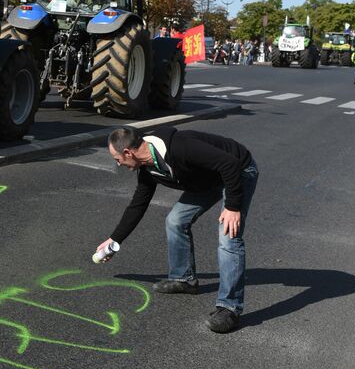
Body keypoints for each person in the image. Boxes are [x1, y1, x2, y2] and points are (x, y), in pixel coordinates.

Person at [97, 125, 259, 333]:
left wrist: (233, 206)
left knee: (229, 236)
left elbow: (230, 163)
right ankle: (183, 279)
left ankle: (230, 309)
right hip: (208, 179)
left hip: (238, 172)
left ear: (128, 152)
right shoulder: (147, 165)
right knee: (175, 221)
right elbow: (138, 204)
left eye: (117, 158)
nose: (118, 164)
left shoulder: (181, 147)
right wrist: (115, 240)